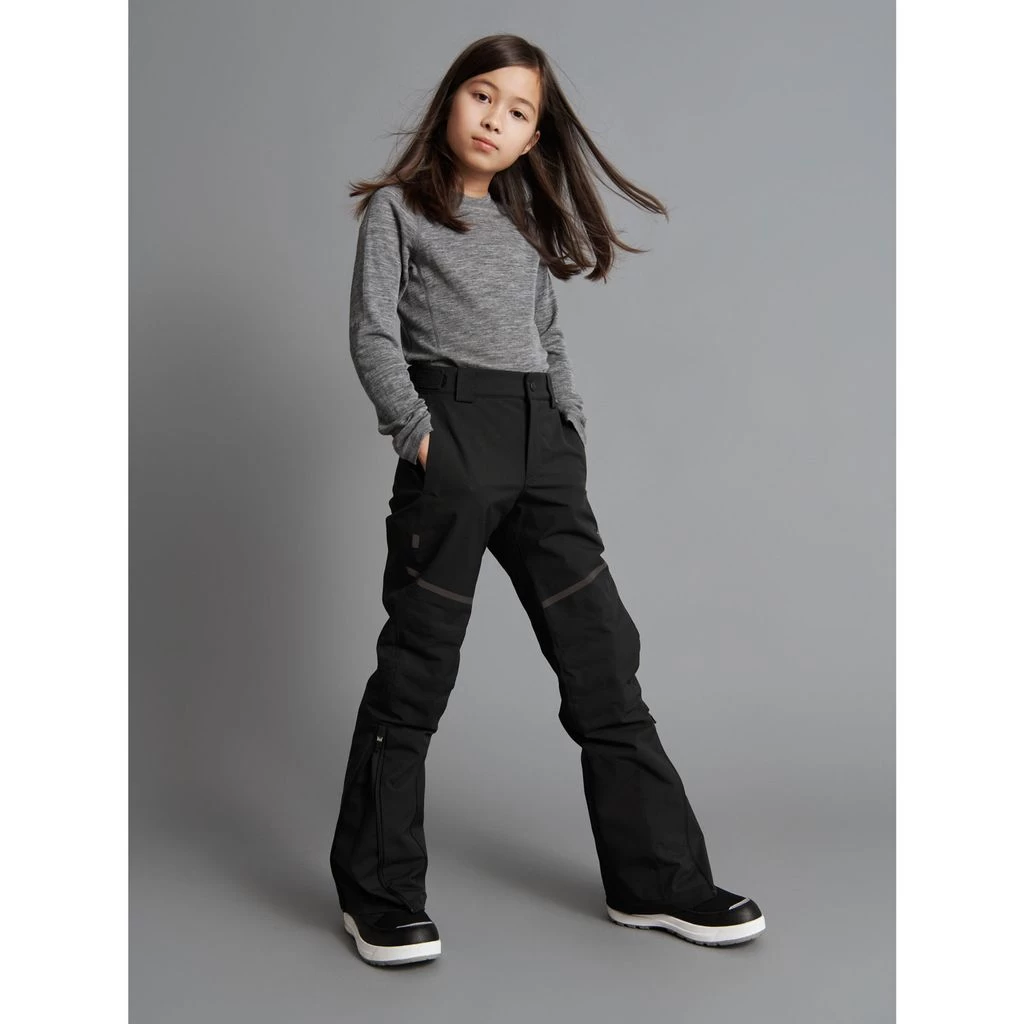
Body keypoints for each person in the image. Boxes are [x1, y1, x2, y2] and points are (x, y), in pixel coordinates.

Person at [329, 33, 766, 967]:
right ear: (451, 100)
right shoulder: (399, 210)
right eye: (482, 95)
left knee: (602, 656)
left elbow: (547, 332)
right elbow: (372, 334)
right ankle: (379, 894)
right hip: (453, 437)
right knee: (417, 671)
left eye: (518, 110)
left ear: (533, 138)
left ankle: (655, 880)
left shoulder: (522, 223)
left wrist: (567, 424)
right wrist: (421, 435)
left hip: (541, 449)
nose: (496, 119)